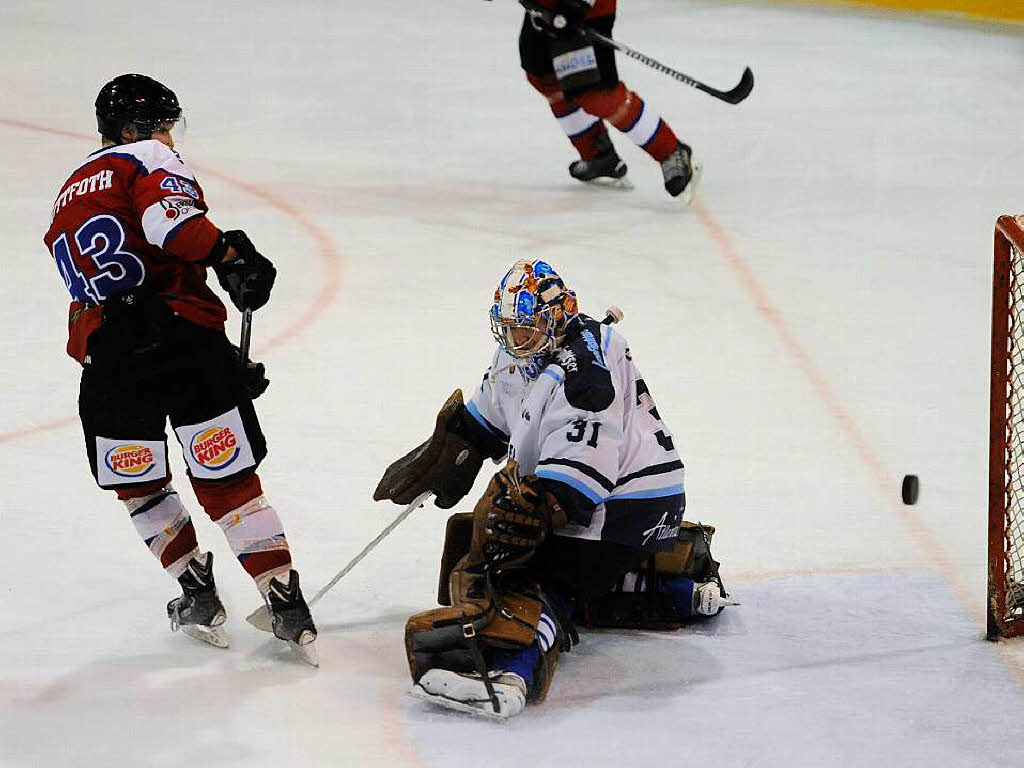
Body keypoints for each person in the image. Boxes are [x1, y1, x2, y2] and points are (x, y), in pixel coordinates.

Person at [375, 259, 733, 718]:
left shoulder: (584, 374)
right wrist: (455, 448)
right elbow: (492, 418)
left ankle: (508, 670)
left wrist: (537, 511)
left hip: (624, 506)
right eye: (507, 328)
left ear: (556, 318)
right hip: (631, 504)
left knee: (510, 564)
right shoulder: (522, 355)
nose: (514, 339)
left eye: (524, 329)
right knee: (476, 540)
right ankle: (673, 584)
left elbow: (579, 482)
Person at [42, 74, 317, 665]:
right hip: (179, 335)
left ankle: (196, 592)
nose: (170, 136)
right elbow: (172, 228)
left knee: (138, 481)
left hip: (110, 357)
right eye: (163, 123)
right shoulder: (145, 157)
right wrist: (231, 253)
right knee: (226, 473)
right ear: (133, 130)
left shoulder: (68, 188)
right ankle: (285, 599)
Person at [516, 0, 702, 202]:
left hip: (584, 11)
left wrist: (578, 5)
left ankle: (670, 150)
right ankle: (598, 155)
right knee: (545, 79)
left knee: (598, 95)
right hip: (543, 9)